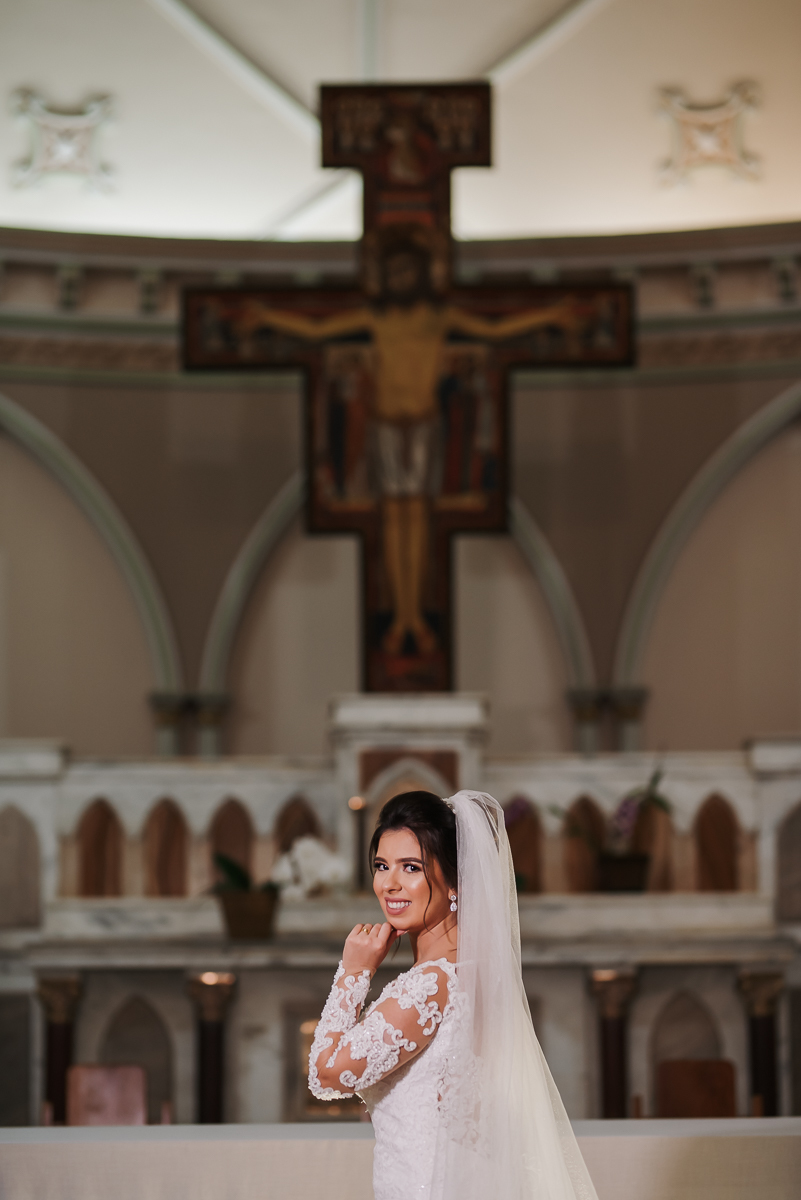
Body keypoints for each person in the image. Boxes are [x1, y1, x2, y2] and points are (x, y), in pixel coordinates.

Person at [240, 253, 581, 657]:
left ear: (419, 274)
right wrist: (266, 318)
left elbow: (494, 329)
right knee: (392, 519)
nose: (399, 278)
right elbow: (318, 329)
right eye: (392, 271)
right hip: (383, 423)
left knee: (417, 518)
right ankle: (402, 614)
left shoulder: (439, 317)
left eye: (405, 270)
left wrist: (549, 316)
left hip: (423, 425)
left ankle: (413, 615)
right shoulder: (375, 318)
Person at [308, 790, 599, 1200]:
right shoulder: (477, 976)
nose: (389, 884)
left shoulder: (429, 986)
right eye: (381, 865)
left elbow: (326, 1074)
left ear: (455, 880)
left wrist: (353, 971)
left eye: (411, 867)